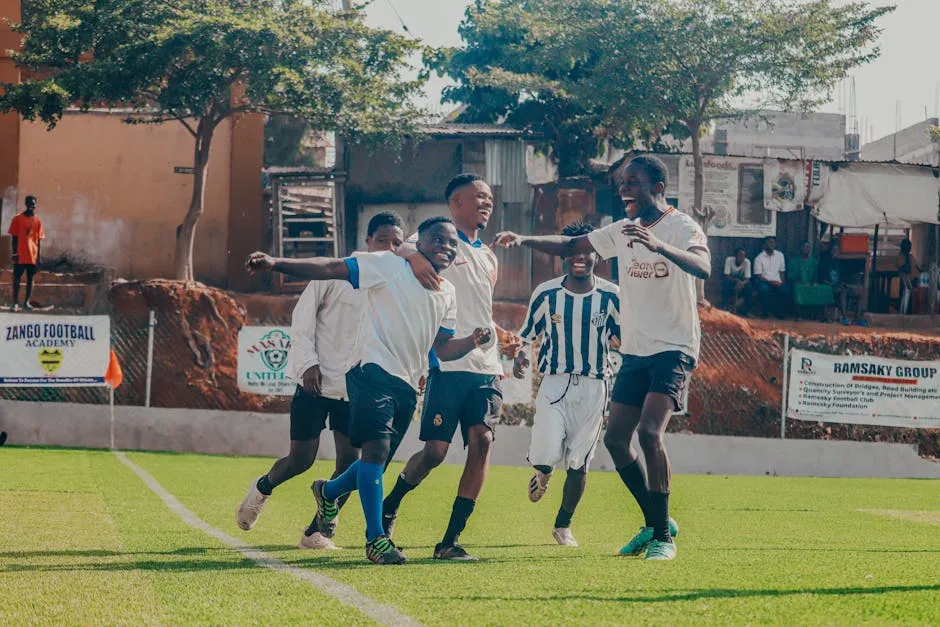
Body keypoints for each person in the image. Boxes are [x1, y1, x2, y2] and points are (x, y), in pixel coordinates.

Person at [493, 155, 710, 561]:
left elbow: (703, 267)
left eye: (633, 182)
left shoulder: (683, 227)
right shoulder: (622, 230)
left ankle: (663, 537)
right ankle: (653, 520)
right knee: (614, 439)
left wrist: (659, 245)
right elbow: (573, 244)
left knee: (649, 432)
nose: (624, 189)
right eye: (622, 182)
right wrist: (523, 239)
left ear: (658, 187)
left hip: (674, 348)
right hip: (636, 351)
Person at [246, 216, 492, 565]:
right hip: (370, 372)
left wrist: (473, 341)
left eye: (453, 243)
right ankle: (376, 540)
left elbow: (442, 347)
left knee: (372, 463)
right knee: (374, 454)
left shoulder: (447, 292)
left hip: (407, 385)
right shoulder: (388, 265)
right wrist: (276, 263)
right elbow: (331, 266)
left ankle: (328, 492)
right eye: (437, 239)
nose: (447, 247)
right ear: (418, 243)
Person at [235, 211, 405, 549]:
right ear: (368, 241)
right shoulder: (341, 272)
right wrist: (309, 363)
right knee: (301, 459)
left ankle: (315, 532)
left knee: (350, 461)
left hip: (355, 386)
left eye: (397, 242)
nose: (390, 247)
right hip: (315, 379)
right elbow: (302, 319)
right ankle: (262, 488)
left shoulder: (395, 282)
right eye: (383, 239)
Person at [380, 173, 521, 562]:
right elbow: (396, 249)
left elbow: (478, 311)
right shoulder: (433, 242)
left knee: (483, 441)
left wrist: (501, 334)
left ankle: (449, 541)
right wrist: (411, 256)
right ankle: (390, 505)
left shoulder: (490, 257)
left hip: (486, 366)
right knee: (435, 453)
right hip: (447, 363)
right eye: (478, 197)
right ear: (455, 203)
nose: (487, 204)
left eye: (490, 198)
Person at [513, 221, 620, 547]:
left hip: (594, 386)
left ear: (596, 257)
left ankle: (563, 525)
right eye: (572, 251)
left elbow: (625, 335)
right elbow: (528, 333)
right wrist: (520, 356)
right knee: (546, 454)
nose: (580, 257)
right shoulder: (546, 293)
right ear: (564, 256)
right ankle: (543, 474)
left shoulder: (611, 295)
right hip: (554, 383)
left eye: (586, 251)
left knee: (579, 459)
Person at [8, 196, 45, 311]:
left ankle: (26, 302)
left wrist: (38, 257)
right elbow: (14, 237)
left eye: (33, 204)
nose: (31, 206)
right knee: (17, 279)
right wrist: (14, 253)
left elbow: (39, 241)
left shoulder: (38, 221)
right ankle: (15, 303)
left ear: (35, 205)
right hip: (20, 255)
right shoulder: (17, 219)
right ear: (25, 204)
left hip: (32, 256)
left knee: (30, 280)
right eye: (29, 203)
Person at [789, 241, 833, 320]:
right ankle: (799, 314)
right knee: (797, 289)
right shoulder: (794, 261)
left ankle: (825, 316)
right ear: (801, 248)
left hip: (811, 285)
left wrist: (814, 283)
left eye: (808, 247)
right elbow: (791, 276)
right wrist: (800, 282)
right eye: (805, 247)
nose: (807, 249)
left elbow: (816, 276)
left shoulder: (814, 262)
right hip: (799, 285)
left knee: (826, 289)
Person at [753, 236, 788, 318]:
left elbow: (782, 272)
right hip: (765, 282)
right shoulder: (759, 258)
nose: (772, 244)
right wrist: (772, 282)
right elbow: (759, 276)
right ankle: (765, 313)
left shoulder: (780, 255)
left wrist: (782, 283)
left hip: (777, 282)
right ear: (765, 244)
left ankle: (779, 312)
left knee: (785, 290)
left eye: (773, 242)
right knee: (764, 289)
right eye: (769, 242)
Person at [722, 247, 751, 315]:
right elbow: (727, 275)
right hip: (731, 280)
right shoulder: (729, 260)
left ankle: (747, 310)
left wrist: (741, 283)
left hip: (742, 282)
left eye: (743, 256)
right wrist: (737, 281)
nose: (742, 258)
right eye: (740, 255)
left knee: (749, 286)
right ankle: (725, 306)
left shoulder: (747, 262)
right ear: (735, 256)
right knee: (725, 282)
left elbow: (747, 279)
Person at [897, 239, 920, 315]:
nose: (910, 248)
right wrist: (908, 283)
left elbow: (916, 267)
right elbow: (903, 269)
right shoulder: (901, 256)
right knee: (906, 296)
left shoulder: (910, 256)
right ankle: (903, 314)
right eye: (908, 246)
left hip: (913, 280)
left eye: (910, 246)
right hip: (907, 279)